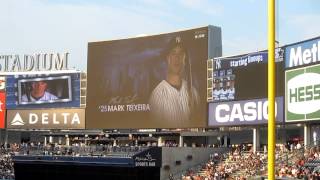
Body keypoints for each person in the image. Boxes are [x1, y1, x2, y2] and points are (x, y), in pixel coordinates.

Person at [149, 36, 200, 126]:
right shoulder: (158, 94)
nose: (177, 58)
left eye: (181, 54)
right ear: (167, 58)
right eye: (173, 53)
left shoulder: (193, 92)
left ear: (185, 59)